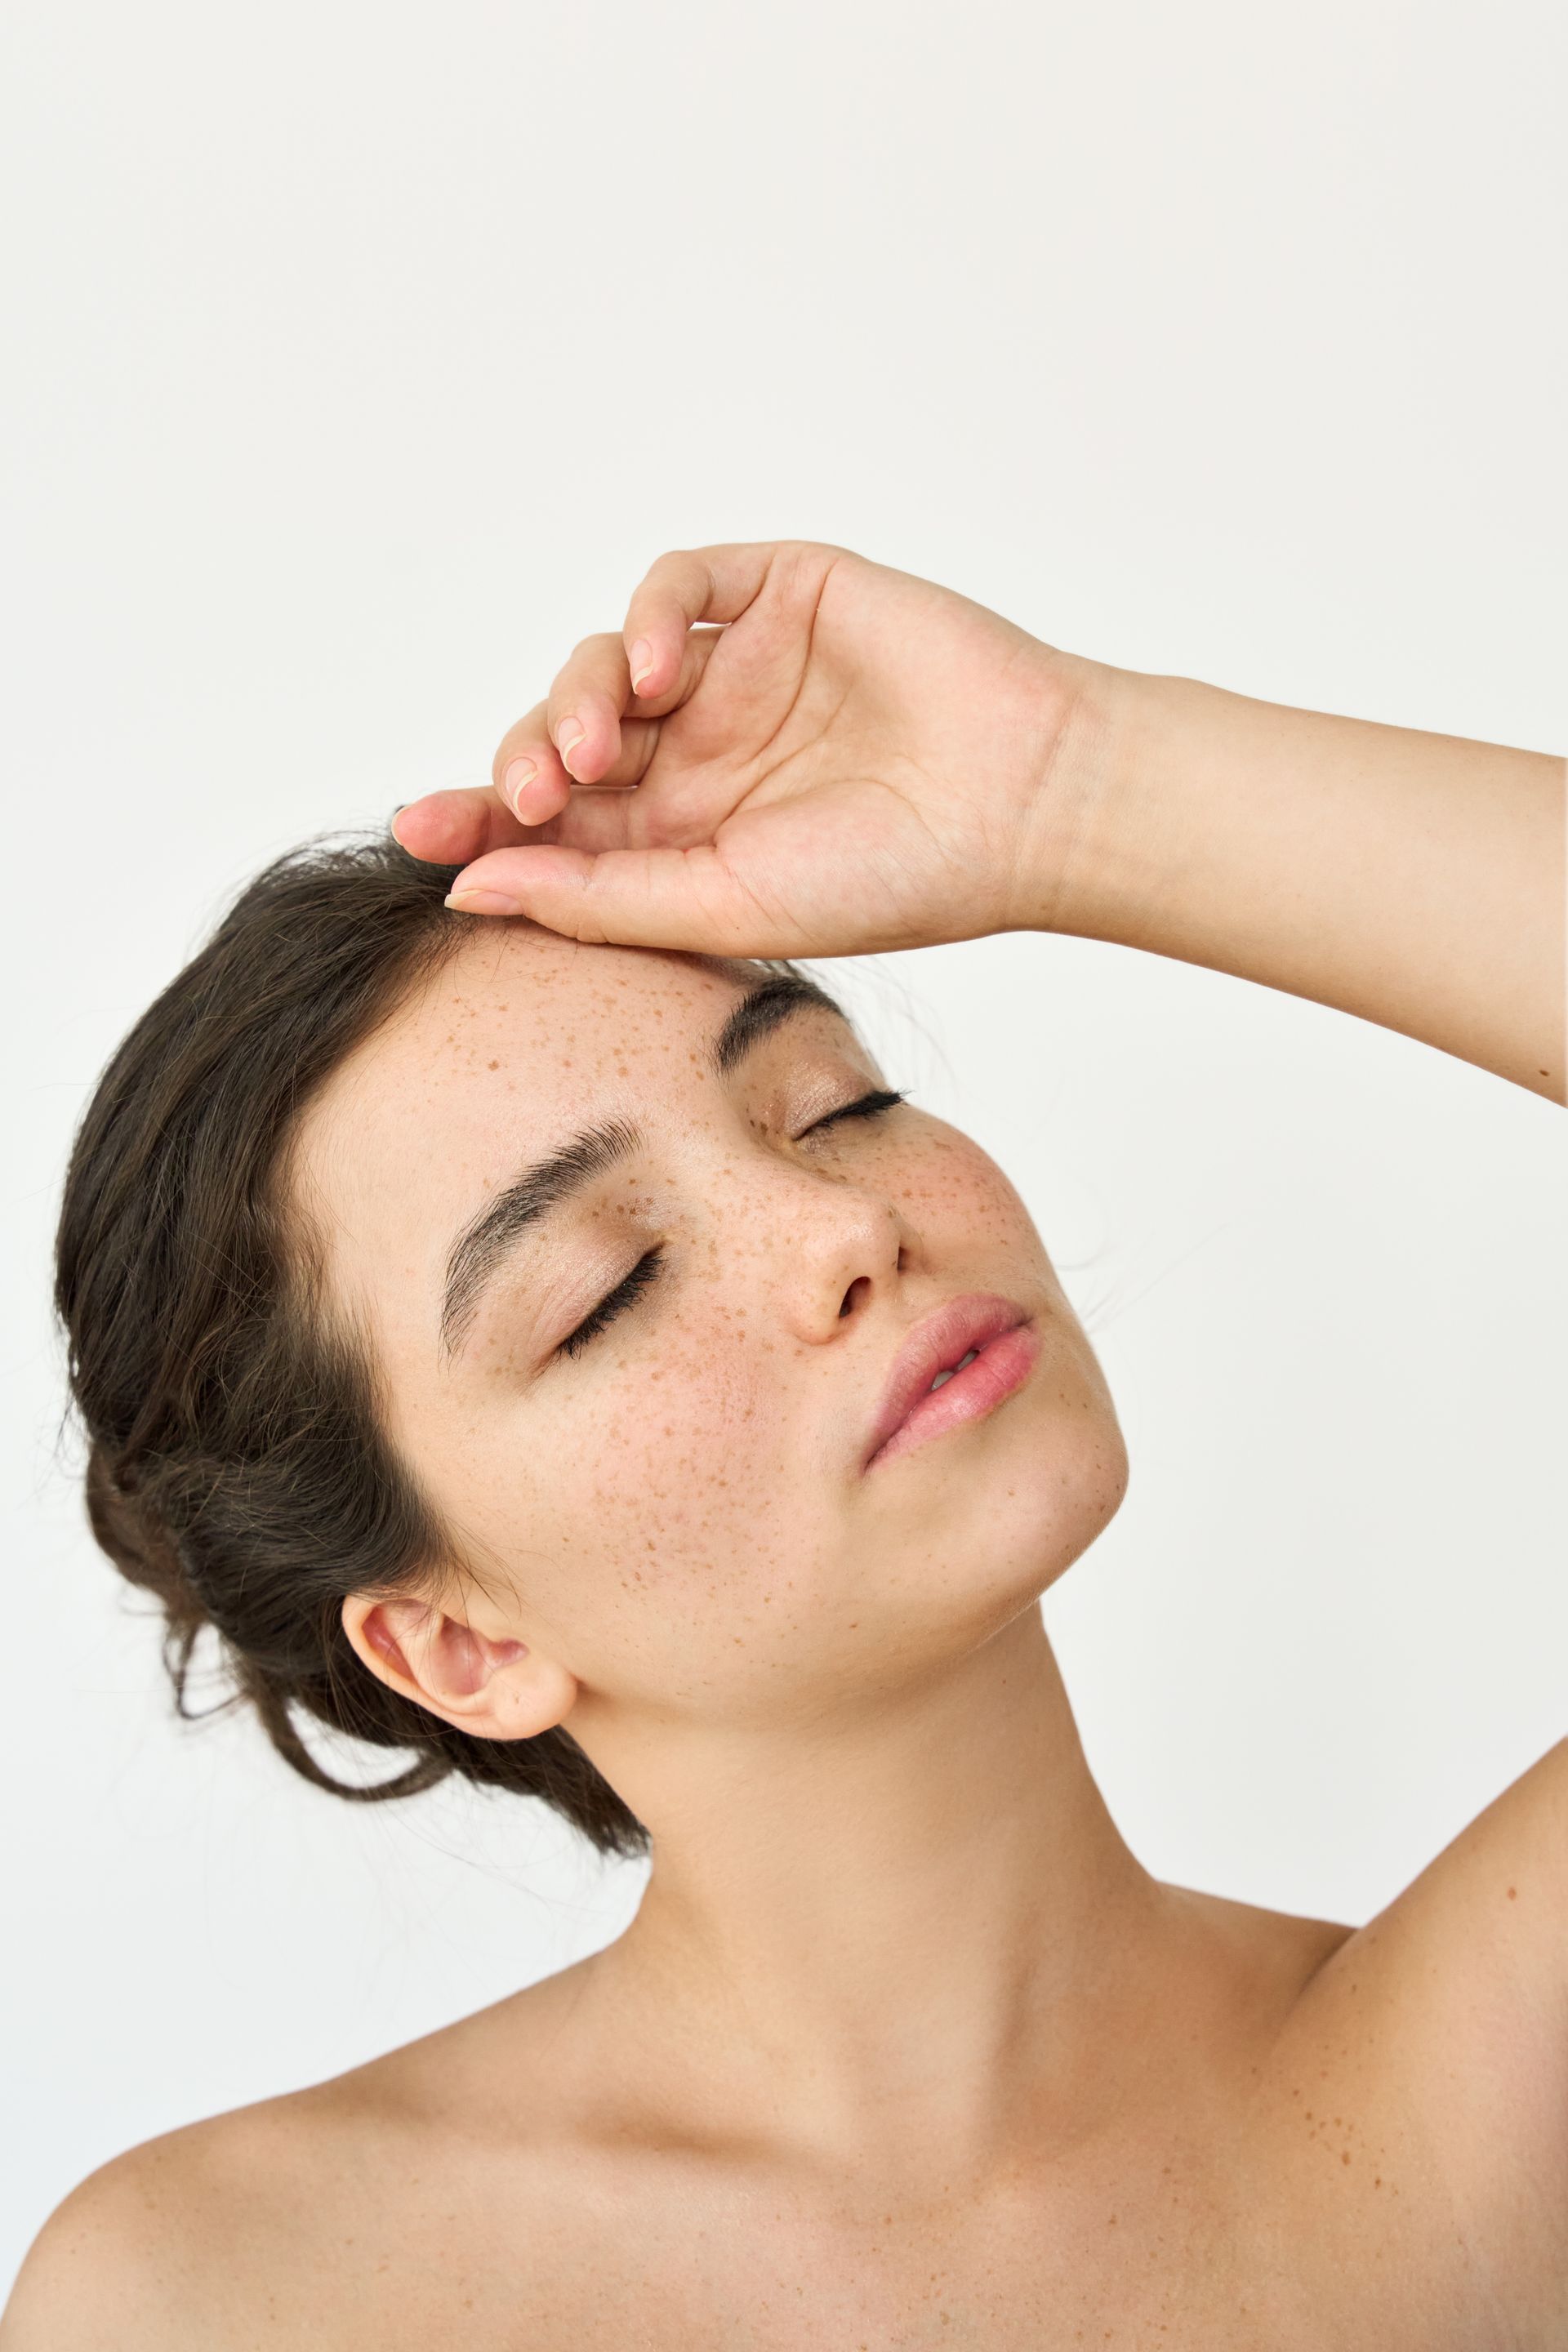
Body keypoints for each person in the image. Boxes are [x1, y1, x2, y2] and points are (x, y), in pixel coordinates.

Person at [5, 538, 1563, 2349]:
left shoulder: (1480, 2113)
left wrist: (1085, 785)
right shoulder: (227, 2302)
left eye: (836, 1104)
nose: (842, 1233)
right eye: (610, 1289)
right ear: (464, 1643)